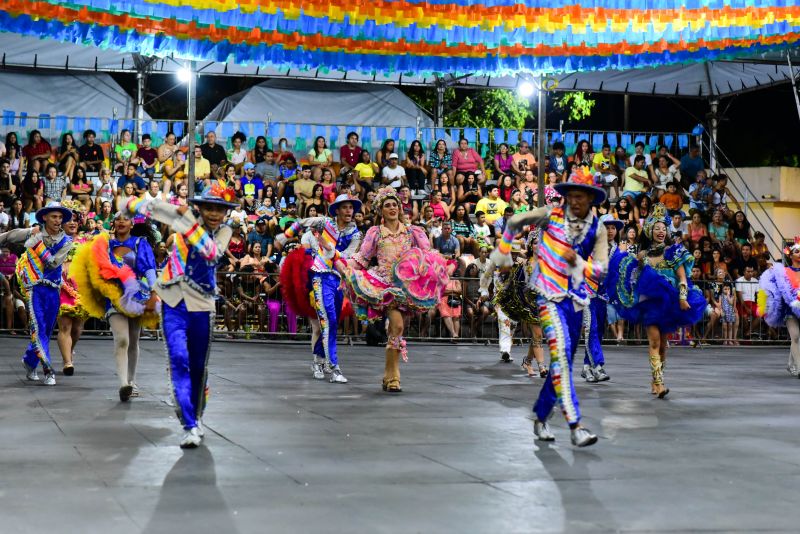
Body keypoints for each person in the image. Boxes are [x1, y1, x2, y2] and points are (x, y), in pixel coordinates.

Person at [490, 165, 609, 447]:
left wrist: (578, 262)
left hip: (577, 301)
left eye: (583, 196)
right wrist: (504, 253)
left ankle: (541, 417)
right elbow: (515, 221)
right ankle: (576, 425)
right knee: (563, 359)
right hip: (548, 297)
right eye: (573, 195)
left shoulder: (598, 228)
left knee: (561, 361)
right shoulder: (550, 215)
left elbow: (601, 269)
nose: (577, 201)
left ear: (592, 199)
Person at [124, 183, 238, 448]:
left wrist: (187, 221)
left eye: (218, 209)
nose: (213, 214)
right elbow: (159, 209)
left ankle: (197, 416)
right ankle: (188, 424)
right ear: (201, 207)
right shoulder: (185, 220)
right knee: (177, 359)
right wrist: (129, 205)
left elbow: (211, 253)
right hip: (173, 301)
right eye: (208, 207)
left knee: (198, 368)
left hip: (201, 304)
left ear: (225, 214)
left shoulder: (223, 231)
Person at [345, 187, 453, 393]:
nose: (392, 208)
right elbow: (362, 259)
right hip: (385, 284)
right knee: (397, 327)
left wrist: (440, 268)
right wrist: (344, 267)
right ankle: (394, 377)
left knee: (396, 330)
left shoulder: (413, 231)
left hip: (408, 287)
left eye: (395, 204)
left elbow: (427, 255)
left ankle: (388, 375)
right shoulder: (375, 232)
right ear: (380, 210)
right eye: (387, 205)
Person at [607, 204, 706, 398]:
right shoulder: (643, 256)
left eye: (664, 228)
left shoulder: (672, 252)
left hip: (669, 305)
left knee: (662, 345)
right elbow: (629, 272)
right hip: (650, 305)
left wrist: (683, 297)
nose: (661, 232)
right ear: (650, 230)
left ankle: (655, 379)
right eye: (657, 228)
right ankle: (659, 383)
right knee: (653, 342)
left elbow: (683, 278)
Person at [72, 209, 158, 401]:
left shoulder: (139, 243)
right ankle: (123, 384)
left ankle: (132, 380)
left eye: (125, 219)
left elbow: (150, 269)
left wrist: (154, 292)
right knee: (122, 339)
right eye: (117, 219)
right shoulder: (105, 245)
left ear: (132, 224)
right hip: (114, 298)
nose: (121, 222)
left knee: (134, 341)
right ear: (113, 223)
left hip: (137, 297)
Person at [280, 194, 363, 383]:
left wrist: (329, 249)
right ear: (338, 210)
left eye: (351, 207)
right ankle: (334, 368)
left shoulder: (356, 234)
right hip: (319, 276)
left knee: (331, 323)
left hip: (338, 280)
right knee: (325, 322)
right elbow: (303, 222)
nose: (349, 211)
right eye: (345, 207)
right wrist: (284, 236)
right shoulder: (326, 223)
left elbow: (348, 257)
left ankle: (318, 360)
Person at [14, 203, 73, 386]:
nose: (58, 220)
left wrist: (37, 245)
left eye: (60, 217)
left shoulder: (66, 241)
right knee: (38, 327)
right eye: (54, 217)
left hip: (53, 290)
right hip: (35, 289)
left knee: (46, 331)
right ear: (45, 218)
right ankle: (48, 369)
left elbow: (53, 264)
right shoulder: (33, 233)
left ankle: (29, 361)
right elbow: (10, 236)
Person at [479, 234, 547, 376]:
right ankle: (507, 350)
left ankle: (527, 361)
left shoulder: (532, 262)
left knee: (527, 331)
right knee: (506, 322)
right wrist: (484, 291)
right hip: (510, 299)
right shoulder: (500, 261)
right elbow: (487, 277)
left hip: (535, 301)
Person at [581, 214, 626, 383]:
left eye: (613, 228)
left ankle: (587, 367)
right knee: (591, 329)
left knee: (598, 331)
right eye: (607, 227)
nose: (610, 231)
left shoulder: (618, 249)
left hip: (603, 296)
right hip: (587, 292)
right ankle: (598, 366)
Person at [758, 237, 800, 377]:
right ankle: (799, 368)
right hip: (790, 309)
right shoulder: (784, 271)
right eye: (797, 251)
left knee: (797, 339)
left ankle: (791, 364)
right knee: (795, 337)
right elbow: (770, 285)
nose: (799, 253)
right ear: (790, 254)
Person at [56, 201, 89, 376]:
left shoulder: (87, 241)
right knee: (65, 326)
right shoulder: (54, 240)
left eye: (75, 219)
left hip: (81, 287)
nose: (72, 222)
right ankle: (67, 362)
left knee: (77, 329)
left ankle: (69, 351)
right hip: (61, 285)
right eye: (69, 219)